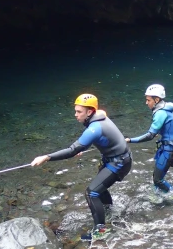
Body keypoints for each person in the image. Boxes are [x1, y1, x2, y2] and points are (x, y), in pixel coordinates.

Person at [31, 93, 132, 240]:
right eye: (76, 111)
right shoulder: (100, 116)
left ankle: (101, 232)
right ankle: (109, 210)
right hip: (119, 158)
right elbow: (98, 139)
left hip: (119, 163)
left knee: (91, 193)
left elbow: (72, 150)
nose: (75, 115)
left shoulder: (95, 128)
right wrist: (82, 148)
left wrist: (47, 157)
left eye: (79, 112)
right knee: (99, 186)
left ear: (90, 112)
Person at [125, 84, 173, 199]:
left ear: (156, 100)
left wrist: (130, 140)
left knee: (158, 180)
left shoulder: (160, 113)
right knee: (158, 176)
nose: (146, 103)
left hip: (168, 151)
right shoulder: (166, 107)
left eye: (148, 100)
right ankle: (159, 194)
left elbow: (150, 136)